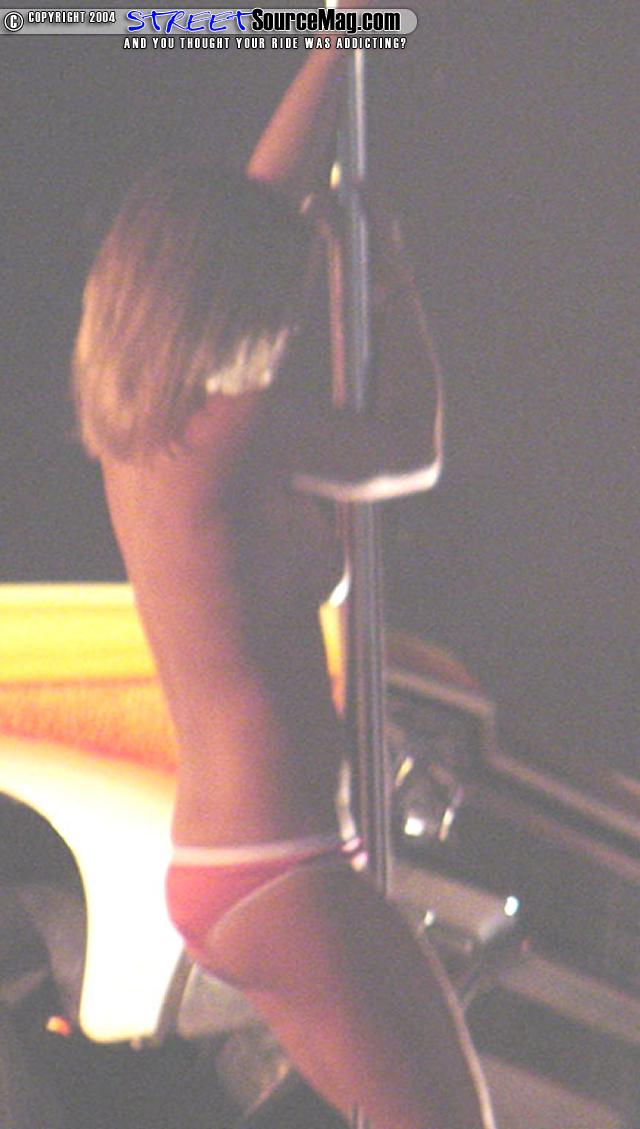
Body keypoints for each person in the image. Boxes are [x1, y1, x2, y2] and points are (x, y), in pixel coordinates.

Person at [73, 39, 495, 1129]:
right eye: (269, 296)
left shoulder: (150, 434)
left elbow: (265, 199)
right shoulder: (237, 430)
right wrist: (387, 277)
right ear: (217, 299)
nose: (286, 317)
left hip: (245, 859)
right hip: (278, 864)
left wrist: (338, 34)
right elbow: (410, 448)